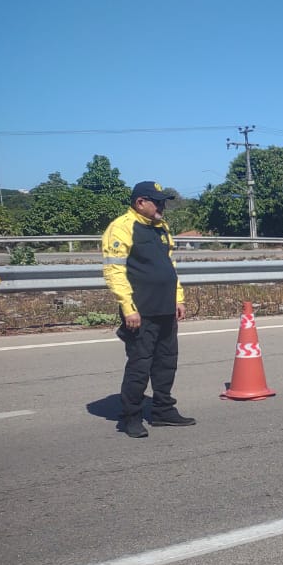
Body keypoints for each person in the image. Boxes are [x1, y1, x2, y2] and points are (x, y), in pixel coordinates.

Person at [101, 181, 196, 439]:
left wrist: (178, 298)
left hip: (165, 307)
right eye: (158, 201)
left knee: (167, 362)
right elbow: (114, 271)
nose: (162, 206)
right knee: (140, 366)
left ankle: (163, 410)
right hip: (140, 312)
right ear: (140, 202)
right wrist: (128, 308)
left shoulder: (160, 227)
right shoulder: (121, 227)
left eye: (164, 201)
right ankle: (131, 417)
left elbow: (169, 266)